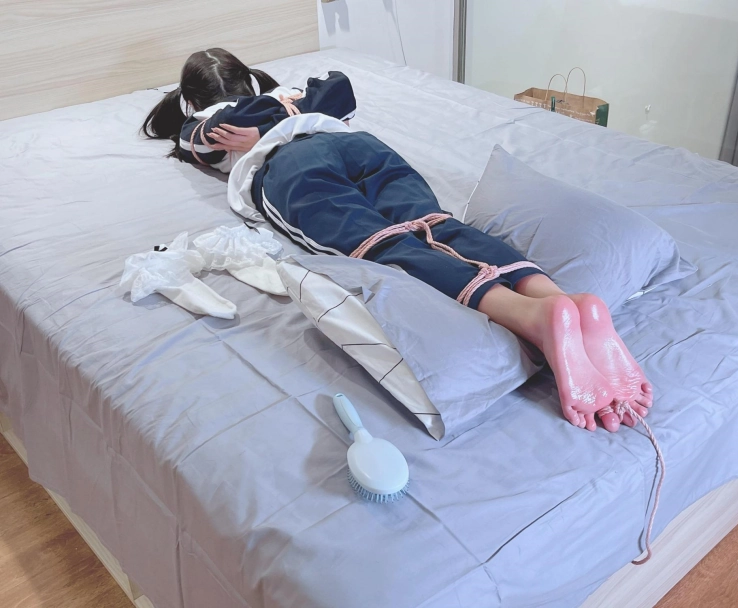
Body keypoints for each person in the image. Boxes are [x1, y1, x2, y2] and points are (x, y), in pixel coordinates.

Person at [142, 48, 653, 432]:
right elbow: (340, 88)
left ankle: (531, 318)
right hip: (361, 148)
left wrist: (257, 128)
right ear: (249, 76)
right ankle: (555, 297)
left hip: (291, 169)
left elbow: (204, 136)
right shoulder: (294, 96)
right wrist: (289, 106)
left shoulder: (205, 123)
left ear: (191, 100)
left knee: (383, 245)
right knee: (438, 224)